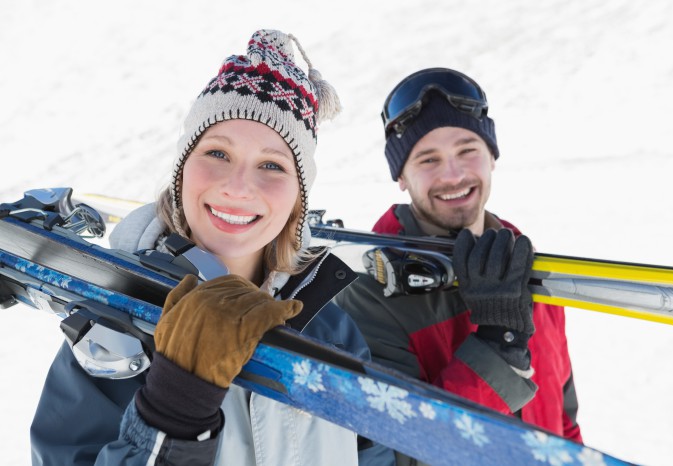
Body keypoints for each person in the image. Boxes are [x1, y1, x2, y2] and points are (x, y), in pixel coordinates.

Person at [30, 29, 390, 466]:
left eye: (272, 165)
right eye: (218, 153)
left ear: (299, 196)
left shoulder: (332, 332)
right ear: (183, 169)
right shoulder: (113, 328)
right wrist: (171, 416)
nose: (238, 186)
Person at [335, 67, 582, 464]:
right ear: (401, 175)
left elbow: (564, 421)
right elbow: (404, 453)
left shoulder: (527, 269)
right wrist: (497, 346)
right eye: (428, 159)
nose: (452, 175)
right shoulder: (368, 298)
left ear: (491, 157)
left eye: (467, 150)